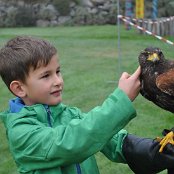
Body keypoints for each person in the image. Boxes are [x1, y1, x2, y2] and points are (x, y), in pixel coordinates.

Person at [0, 36, 174, 174]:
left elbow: (115, 141)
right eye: (46, 76)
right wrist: (121, 98)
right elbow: (73, 143)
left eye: (58, 72)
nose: (58, 81)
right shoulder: (21, 132)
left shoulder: (70, 115)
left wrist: (159, 151)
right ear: (19, 88)